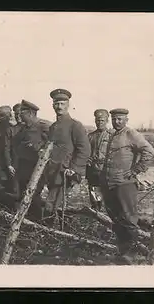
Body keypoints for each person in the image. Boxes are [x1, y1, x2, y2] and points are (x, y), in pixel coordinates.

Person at [101, 108, 154, 264]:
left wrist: (136, 170)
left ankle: (132, 253)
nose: (116, 122)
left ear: (126, 120)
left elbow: (149, 151)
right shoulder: (112, 135)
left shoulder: (131, 134)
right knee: (116, 217)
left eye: (120, 119)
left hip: (125, 184)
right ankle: (122, 251)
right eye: (114, 119)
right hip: (110, 183)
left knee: (128, 217)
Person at [43, 89, 91, 224]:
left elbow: (84, 149)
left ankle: (52, 233)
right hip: (52, 171)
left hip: (65, 172)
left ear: (68, 105)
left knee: (52, 204)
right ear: (53, 105)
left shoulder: (75, 126)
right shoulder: (53, 127)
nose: (59, 107)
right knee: (53, 203)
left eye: (62, 104)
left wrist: (74, 168)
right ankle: (53, 231)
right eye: (56, 103)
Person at [11, 100, 49, 220]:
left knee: (33, 195)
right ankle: (27, 221)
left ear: (30, 114)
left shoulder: (43, 126)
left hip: (36, 168)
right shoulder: (23, 129)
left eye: (22, 112)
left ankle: (37, 222)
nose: (19, 115)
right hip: (23, 168)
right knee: (24, 195)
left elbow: (51, 144)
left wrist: (38, 148)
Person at [86, 109, 114, 211]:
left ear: (107, 121)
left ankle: (108, 214)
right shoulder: (90, 136)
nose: (99, 123)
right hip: (93, 169)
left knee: (107, 193)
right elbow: (86, 151)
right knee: (94, 191)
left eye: (102, 120)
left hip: (105, 169)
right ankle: (96, 211)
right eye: (97, 120)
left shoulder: (111, 135)